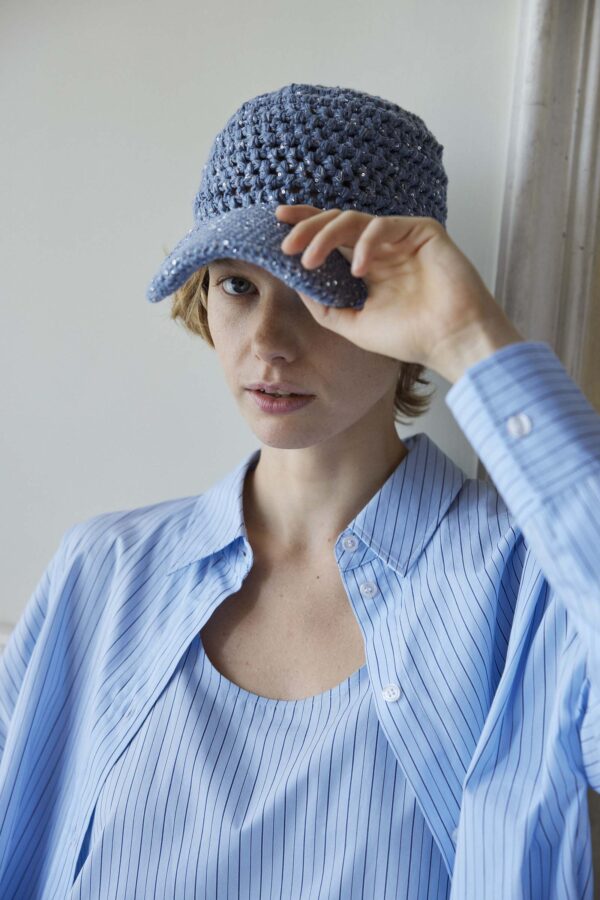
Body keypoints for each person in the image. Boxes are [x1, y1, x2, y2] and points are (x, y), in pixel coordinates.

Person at [0, 83, 598, 899]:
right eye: (237, 285)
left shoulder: (529, 583)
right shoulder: (104, 573)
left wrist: (468, 337)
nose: (269, 344)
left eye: (320, 288)